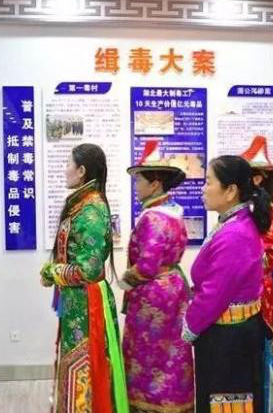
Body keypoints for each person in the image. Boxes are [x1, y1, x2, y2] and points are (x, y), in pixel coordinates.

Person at [40, 143, 128, 412]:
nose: (65, 169)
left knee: (85, 363)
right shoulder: (82, 204)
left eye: (68, 164)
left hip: (88, 303)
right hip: (77, 300)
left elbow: (87, 270)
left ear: (81, 171)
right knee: (76, 360)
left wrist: (52, 272)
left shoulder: (91, 210)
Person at [181, 155, 272, 413]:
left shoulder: (234, 233)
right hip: (230, 333)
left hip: (229, 338)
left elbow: (214, 294)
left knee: (227, 401)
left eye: (209, 182)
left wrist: (189, 326)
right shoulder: (233, 224)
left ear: (230, 191)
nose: (203, 188)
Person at [121, 140, 194, 413]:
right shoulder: (174, 211)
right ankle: (176, 403)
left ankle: (149, 405)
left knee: (149, 353)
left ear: (154, 184)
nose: (136, 186)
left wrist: (125, 280)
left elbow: (147, 266)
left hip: (153, 295)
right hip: (174, 288)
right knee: (173, 351)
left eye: (139, 180)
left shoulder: (152, 217)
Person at [240, 136, 273, 410]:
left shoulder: (267, 211)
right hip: (242, 291)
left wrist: (246, 266)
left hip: (260, 293)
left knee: (261, 354)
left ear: (257, 179)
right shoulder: (243, 208)